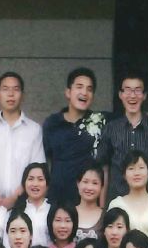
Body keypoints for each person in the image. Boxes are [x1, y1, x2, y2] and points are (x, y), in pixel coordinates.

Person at [0, 70, 44, 210]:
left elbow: (37, 170)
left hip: (25, 205)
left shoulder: (34, 130)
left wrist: (14, 198)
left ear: (23, 95)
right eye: (5, 89)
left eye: (16, 89)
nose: (11, 94)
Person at [41, 67, 110, 206]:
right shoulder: (52, 123)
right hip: (57, 202)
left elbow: (130, 116)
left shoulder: (100, 121)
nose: (84, 92)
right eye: (79, 87)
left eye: (89, 89)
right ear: (68, 92)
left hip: (89, 203)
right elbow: (45, 163)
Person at [75, 167, 107, 242]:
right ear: (78, 184)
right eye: (85, 182)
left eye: (95, 183)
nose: (89, 188)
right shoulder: (68, 213)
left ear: (102, 187)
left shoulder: (106, 216)